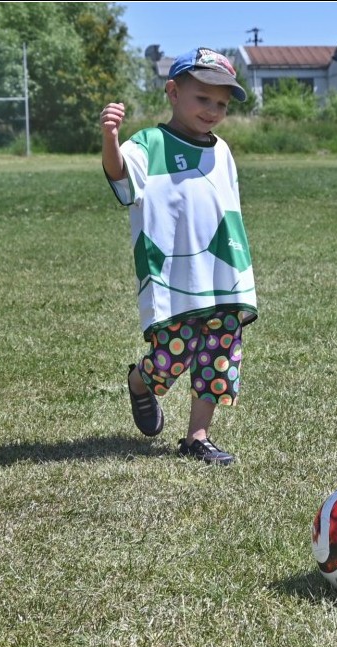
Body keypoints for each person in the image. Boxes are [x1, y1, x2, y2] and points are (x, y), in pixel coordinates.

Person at [100, 47, 257, 466]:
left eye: (221, 103)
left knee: (218, 357)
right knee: (170, 359)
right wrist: (110, 139)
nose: (213, 110)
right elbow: (121, 178)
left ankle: (196, 438)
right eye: (203, 99)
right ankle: (139, 381)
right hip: (174, 274)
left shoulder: (222, 150)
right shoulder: (150, 144)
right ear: (173, 91)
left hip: (222, 274)